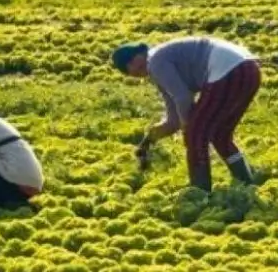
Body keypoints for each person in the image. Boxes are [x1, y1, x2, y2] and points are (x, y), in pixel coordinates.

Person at [111, 36, 261, 192]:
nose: (133, 71)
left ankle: (200, 194)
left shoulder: (155, 61)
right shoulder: (159, 67)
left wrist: (188, 126)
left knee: (195, 135)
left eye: (129, 64)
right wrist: (149, 140)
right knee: (220, 135)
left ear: (139, 55)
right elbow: (173, 119)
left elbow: (183, 98)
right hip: (249, 70)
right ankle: (247, 184)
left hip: (229, 72)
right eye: (127, 70)